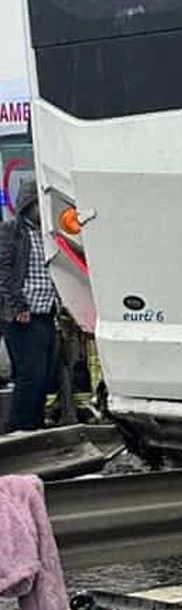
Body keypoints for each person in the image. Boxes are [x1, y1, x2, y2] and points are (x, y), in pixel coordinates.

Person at [0, 175, 59, 432]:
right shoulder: (11, 231)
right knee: (30, 375)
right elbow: (3, 271)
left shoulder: (48, 236)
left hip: (46, 313)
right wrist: (18, 306)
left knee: (44, 376)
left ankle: (35, 425)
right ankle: (19, 428)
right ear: (29, 204)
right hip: (23, 315)